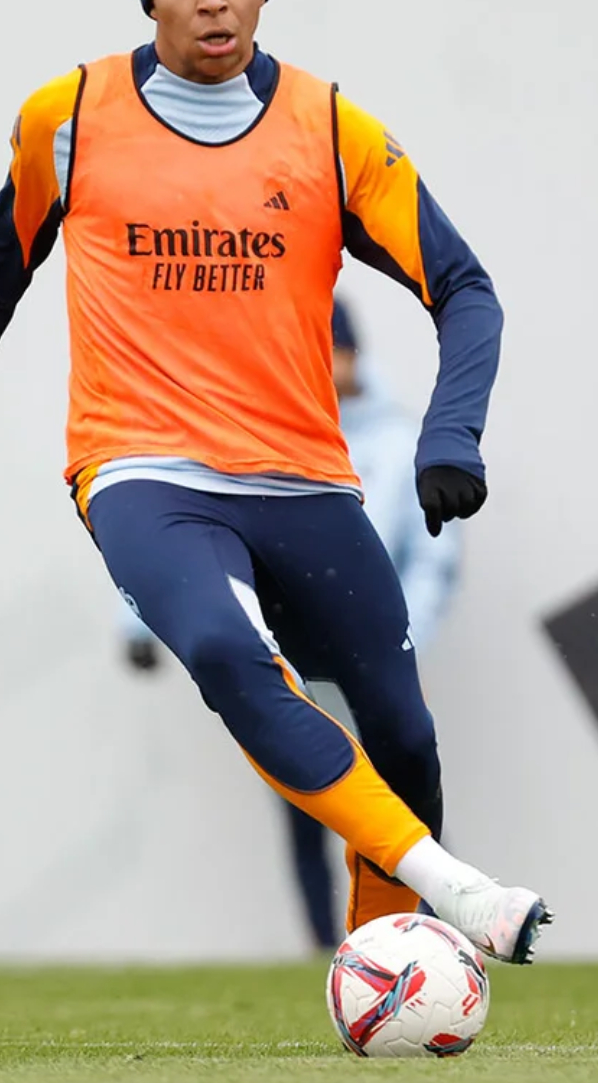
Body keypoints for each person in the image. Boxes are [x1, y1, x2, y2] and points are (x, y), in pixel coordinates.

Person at [0, 0, 551, 964]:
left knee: (403, 734)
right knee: (225, 653)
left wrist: (451, 435)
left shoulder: (334, 130)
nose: (211, 1)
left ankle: (385, 958)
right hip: (142, 468)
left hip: (302, 477)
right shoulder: (67, 117)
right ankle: (457, 889)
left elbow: (466, 287)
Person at [117, 299, 462, 951]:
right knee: (308, 796)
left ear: (352, 354)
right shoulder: (244, 424)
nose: (317, 362)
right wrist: (136, 621)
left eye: (326, 347)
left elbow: (432, 560)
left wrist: (396, 635)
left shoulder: (396, 442)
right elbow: (177, 521)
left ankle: (433, 938)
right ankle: (331, 950)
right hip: (287, 654)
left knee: (405, 776)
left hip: (364, 646)